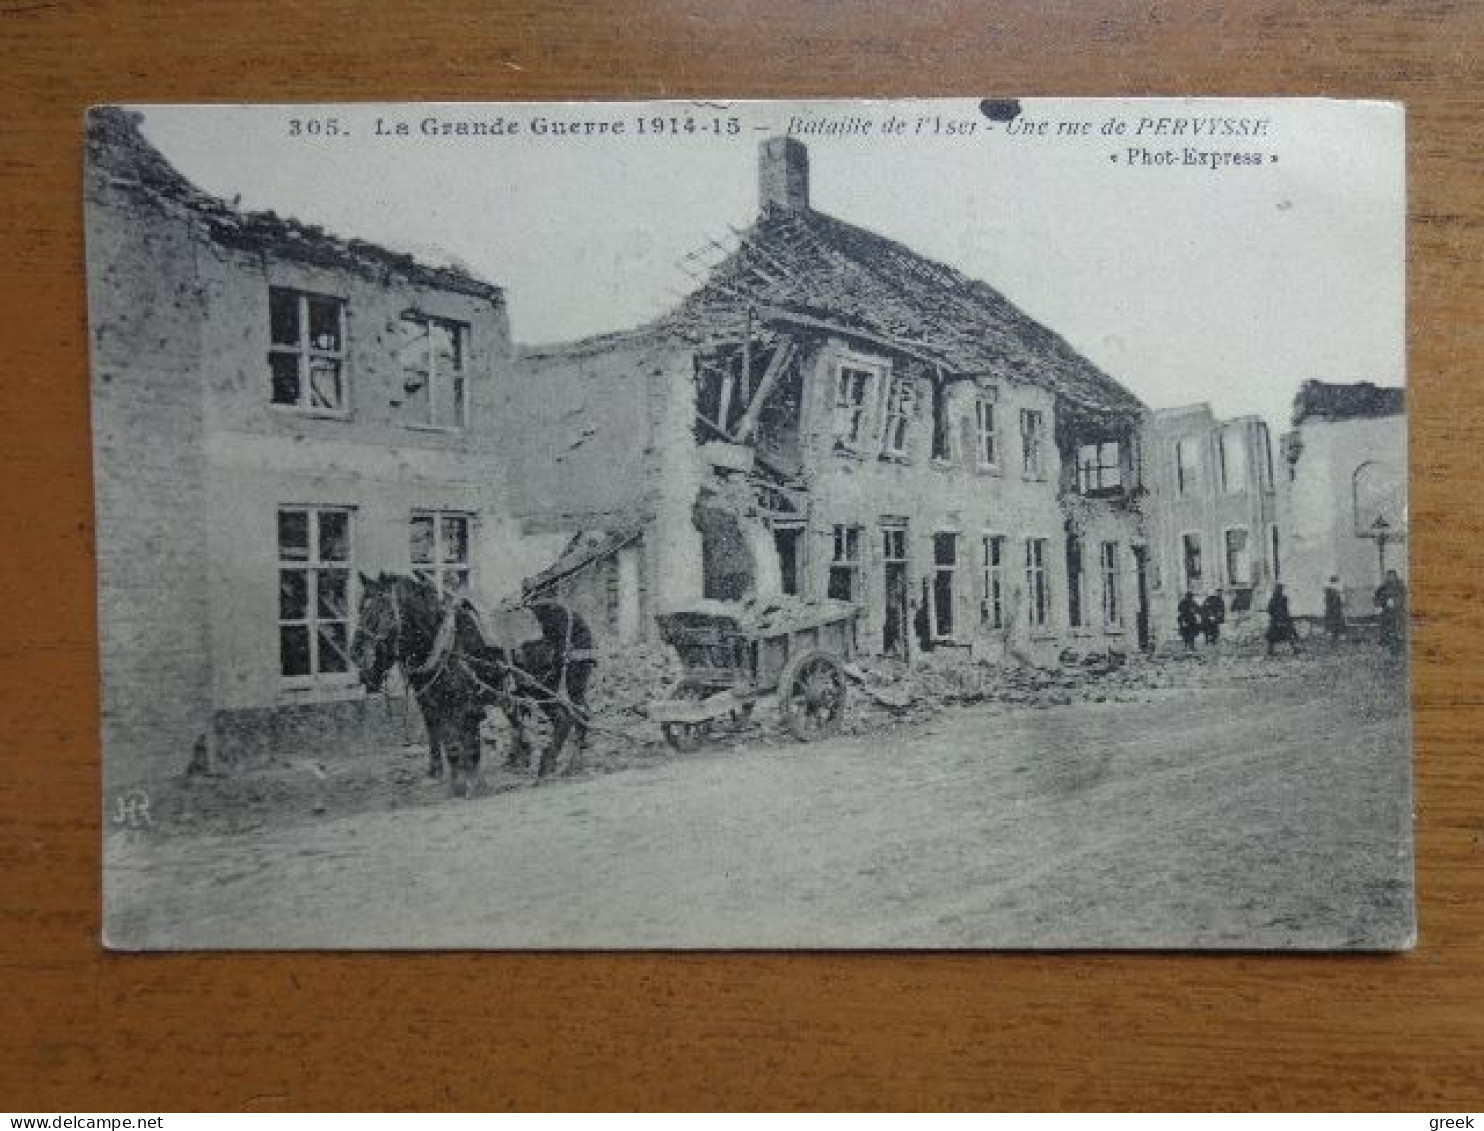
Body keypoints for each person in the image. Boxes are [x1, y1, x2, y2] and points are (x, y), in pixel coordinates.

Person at [1375, 569, 1407, 654]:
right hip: (1386, 611)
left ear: (1395, 576)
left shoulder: (1400, 585)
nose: (1390, 578)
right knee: (1384, 628)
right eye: (1388, 576)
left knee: (1397, 629)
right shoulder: (1383, 586)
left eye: (1392, 576)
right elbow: (1377, 596)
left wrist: (1395, 602)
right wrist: (1380, 604)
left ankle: (1397, 646)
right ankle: (1382, 644)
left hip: (1397, 612)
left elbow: (1403, 597)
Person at [1265, 583, 1300, 656]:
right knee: (1273, 637)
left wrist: (1287, 618)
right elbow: (1269, 609)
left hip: (1282, 619)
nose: (1281, 591)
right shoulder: (1274, 599)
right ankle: (1270, 651)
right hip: (1277, 620)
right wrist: (1276, 616)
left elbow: (1285, 610)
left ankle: (1294, 648)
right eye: (1280, 589)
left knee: (1288, 634)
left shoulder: (1283, 599)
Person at [1323, 575, 1347, 641]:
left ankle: (1339, 633)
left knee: (1338, 618)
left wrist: (1340, 601)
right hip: (1331, 606)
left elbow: (1341, 598)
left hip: (1336, 606)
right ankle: (1332, 632)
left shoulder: (1338, 588)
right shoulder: (1329, 588)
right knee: (1330, 617)